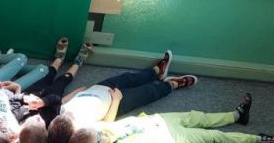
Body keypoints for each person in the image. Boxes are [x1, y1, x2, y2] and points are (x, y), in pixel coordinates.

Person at [63, 93, 274, 143]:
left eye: (97, 132)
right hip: (172, 138)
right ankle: (257, 139)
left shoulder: (101, 129)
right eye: (99, 139)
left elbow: (108, 120)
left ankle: (235, 116)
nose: (103, 135)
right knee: (215, 137)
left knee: (200, 117)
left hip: (160, 120)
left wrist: (116, 100)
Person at [58, 50, 197, 127]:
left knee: (129, 78)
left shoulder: (61, 113)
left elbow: (63, 101)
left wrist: (78, 91)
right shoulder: (82, 126)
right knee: (146, 93)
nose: (68, 115)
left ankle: (156, 71)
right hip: (115, 103)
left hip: (100, 88)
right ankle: (172, 84)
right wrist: (116, 100)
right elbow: (107, 124)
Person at [0, 37, 93, 127]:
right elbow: (61, 102)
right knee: (63, 80)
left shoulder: (16, 119)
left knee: (49, 74)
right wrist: (79, 92)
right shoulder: (47, 121)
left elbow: (14, 100)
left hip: (34, 91)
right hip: (53, 95)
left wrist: (24, 96)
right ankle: (78, 63)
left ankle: (59, 59)